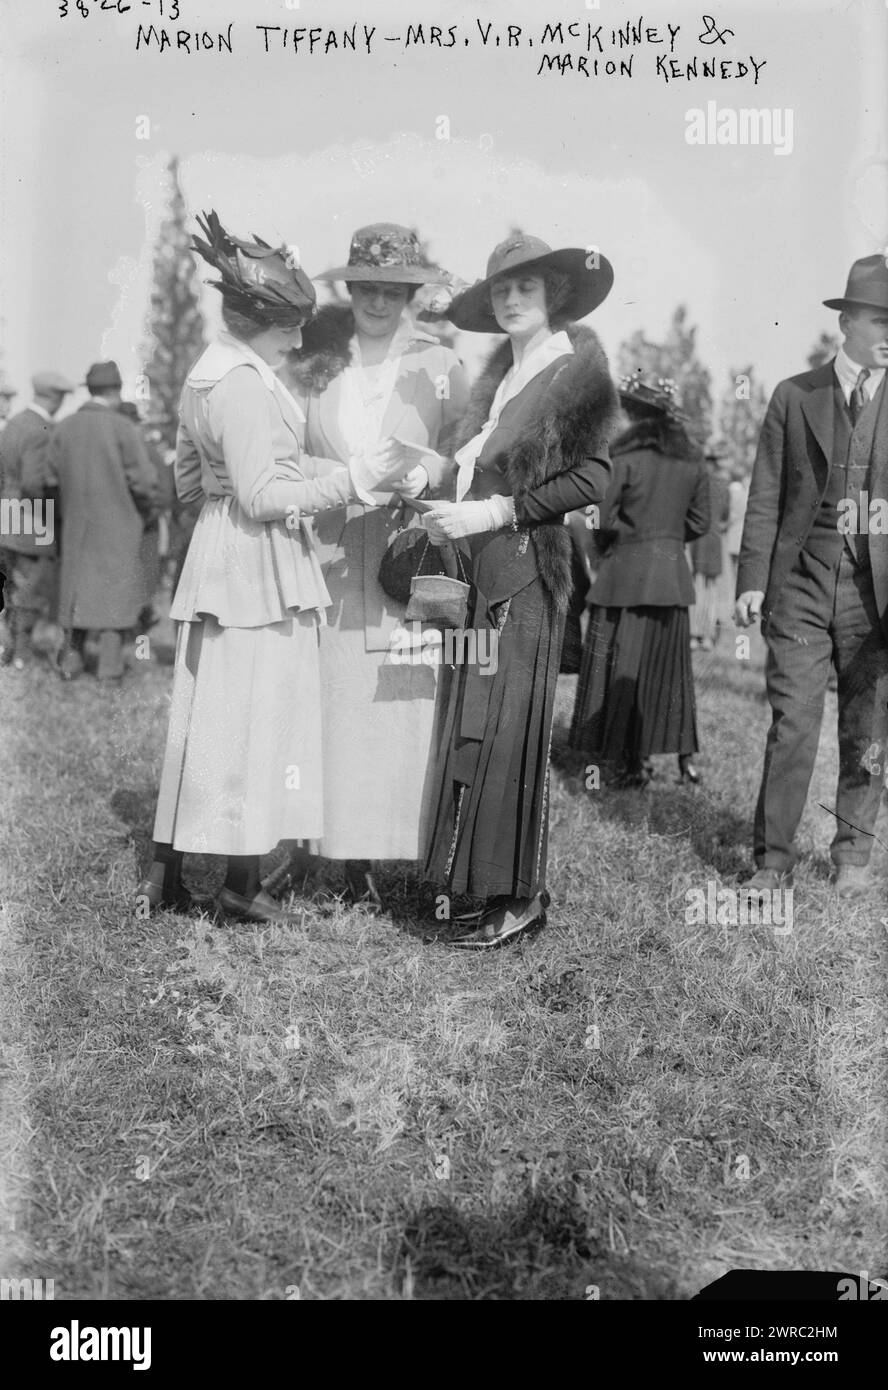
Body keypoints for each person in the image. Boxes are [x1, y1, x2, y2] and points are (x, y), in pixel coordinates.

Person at [137, 211, 410, 924]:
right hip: (258, 565)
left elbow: (194, 484)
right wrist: (350, 484)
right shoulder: (250, 385)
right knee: (256, 721)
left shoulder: (208, 375)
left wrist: (331, 468)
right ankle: (238, 883)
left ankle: (175, 877)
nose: (297, 341)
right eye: (290, 328)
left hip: (217, 559)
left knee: (212, 717)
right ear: (264, 322)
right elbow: (263, 495)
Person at [420, 232, 618, 948]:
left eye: (524, 289)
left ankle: (519, 896)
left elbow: (593, 479)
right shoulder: (504, 374)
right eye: (500, 291)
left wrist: (497, 510)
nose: (510, 300)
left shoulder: (573, 369)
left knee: (510, 729)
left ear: (553, 296)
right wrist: (439, 483)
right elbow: (481, 467)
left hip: (527, 568)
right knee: (475, 721)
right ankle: (473, 885)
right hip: (477, 566)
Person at [276, 224, 469, 906]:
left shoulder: (443, 366)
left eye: (395, 290)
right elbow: (285, 454)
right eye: (367, 288)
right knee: (334, 701)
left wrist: (428, 475)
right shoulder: (316, 360)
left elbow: (467, 456)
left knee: (402, 700)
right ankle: (332, 850)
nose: (379, 302)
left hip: (405, 555)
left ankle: (396, 852)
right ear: (349, 289)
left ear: (413, 294)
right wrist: (347, 473)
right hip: (329, 552)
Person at [735, 254, 888, 900]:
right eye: (880, 317)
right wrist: (750, 579)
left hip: (874, 591)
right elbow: (766, 493)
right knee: (793, 722)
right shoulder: (794, 396)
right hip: (799, 580)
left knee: (869, 724)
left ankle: (853, 852)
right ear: (847, 319)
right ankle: (771, 861)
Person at [570, 376, 710, 786]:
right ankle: (664, 756)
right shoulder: (692, 461)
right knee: (665, 672)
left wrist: (618, 542)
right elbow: (701, 521)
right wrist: (665, 540)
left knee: (620, 667)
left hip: (623, 579)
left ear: (636, 417)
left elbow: (602, 517)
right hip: (670, 581)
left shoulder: (623, 459)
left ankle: (624, 760)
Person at [47, 362, 159, 681]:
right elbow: (145, 482)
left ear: (90, 390)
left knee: (76, 594)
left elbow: (49, 478)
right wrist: (144, 511)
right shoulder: (124, 428)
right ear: (116, 390)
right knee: (114, 595)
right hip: (120, 526)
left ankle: (70, 663)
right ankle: (109, 669)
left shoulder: (63, 427)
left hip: (75, 527)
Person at [0, 371, 75, 670]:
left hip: (8, 512)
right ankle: (22, 653)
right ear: (54, 398)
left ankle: (11, 650)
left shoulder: (15, 423)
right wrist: (61, 510)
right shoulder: (42, 429)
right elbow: (34, 483)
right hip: (35, 517)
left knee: (15, 587)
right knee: (32, 587)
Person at [689, 447, 731, 650]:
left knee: (696, 586)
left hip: (697, 540)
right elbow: (725, 517)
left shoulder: (697, 482)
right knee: (711, 590)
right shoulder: (723, 485)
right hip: (714, 540)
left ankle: (693, 634)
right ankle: (707, 636)